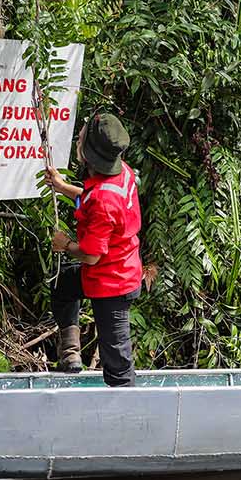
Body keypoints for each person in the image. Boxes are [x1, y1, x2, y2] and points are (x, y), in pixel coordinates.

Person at [44, 112, 142, 387]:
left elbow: (91, 254)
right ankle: (71, 353)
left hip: (113, 284)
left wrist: (66, 245)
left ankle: (128, 413)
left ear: (87, 154)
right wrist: (62, 187)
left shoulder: (103, 201)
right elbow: (92, 195)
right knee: (62, 288)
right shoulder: (122, 173)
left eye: (81, 136)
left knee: (117, 360)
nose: (78, 137)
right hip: (116, 269)